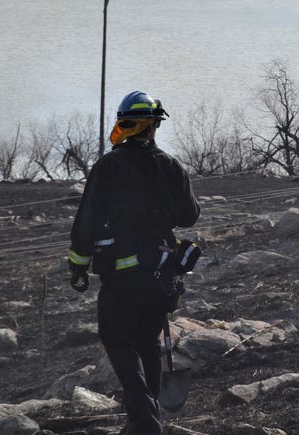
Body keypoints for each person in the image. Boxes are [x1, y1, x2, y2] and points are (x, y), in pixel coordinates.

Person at [67, 90, 201, 435]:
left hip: (122, 276)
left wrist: (78, 266)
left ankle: (144, 420)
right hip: (162, 272)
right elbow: (189, 215)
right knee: (147, 342)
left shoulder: (109, 166)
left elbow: (87, 222)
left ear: (124, 122)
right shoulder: (170, 166)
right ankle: (148, 415)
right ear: (153, 126)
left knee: (117, 338)